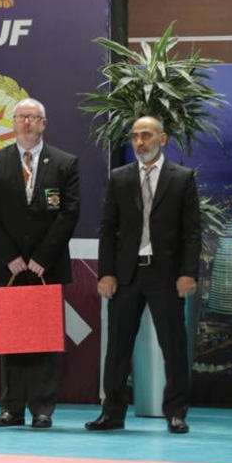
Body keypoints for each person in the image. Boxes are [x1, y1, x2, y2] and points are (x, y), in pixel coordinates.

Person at [86, 116, 200, 434]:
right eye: (135, 136)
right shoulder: (120, 177)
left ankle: (176, 413)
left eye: (146, 135)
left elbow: (192, 231)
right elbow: (108, 229)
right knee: (117, 348)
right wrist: (106, 273)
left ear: (162, 139)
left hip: (167, 275)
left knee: (173, 346)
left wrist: (188, 273)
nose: (140, 142)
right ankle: (112, 414)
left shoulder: (182, 178)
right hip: (126, 275)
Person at [0, 98, 79, 428]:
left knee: (44, 340)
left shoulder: (64, 163)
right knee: (11, 339)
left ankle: (42, 409)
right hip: (8, 266)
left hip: (46, 267)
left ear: (44, 123)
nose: (27, 123)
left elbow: (69, 214)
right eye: (21, 117)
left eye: (34, 117)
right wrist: (10, 256)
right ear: (13, 122)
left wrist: (41, 258)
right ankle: (11, 408)